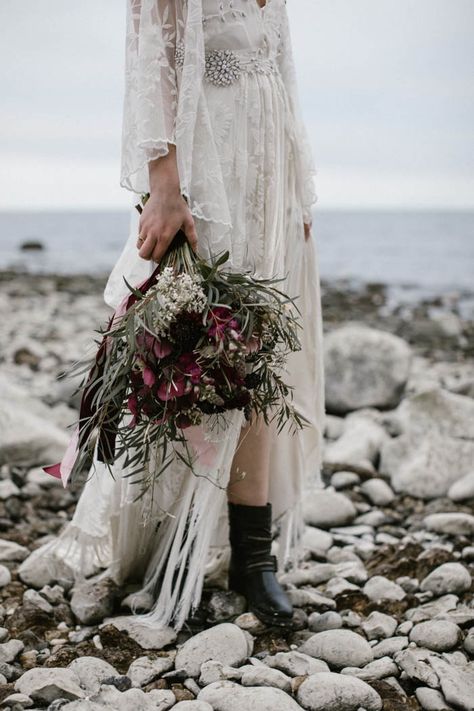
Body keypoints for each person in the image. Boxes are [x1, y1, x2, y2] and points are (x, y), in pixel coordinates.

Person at [19, 0, 325, 632]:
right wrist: (164, 187)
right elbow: (150, 61)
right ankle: (171, 539)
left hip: (271, 173)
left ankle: (251, 554)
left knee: (262, 356)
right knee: (203, 352)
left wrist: (300, 184)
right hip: (210, 172)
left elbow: (281, 71)